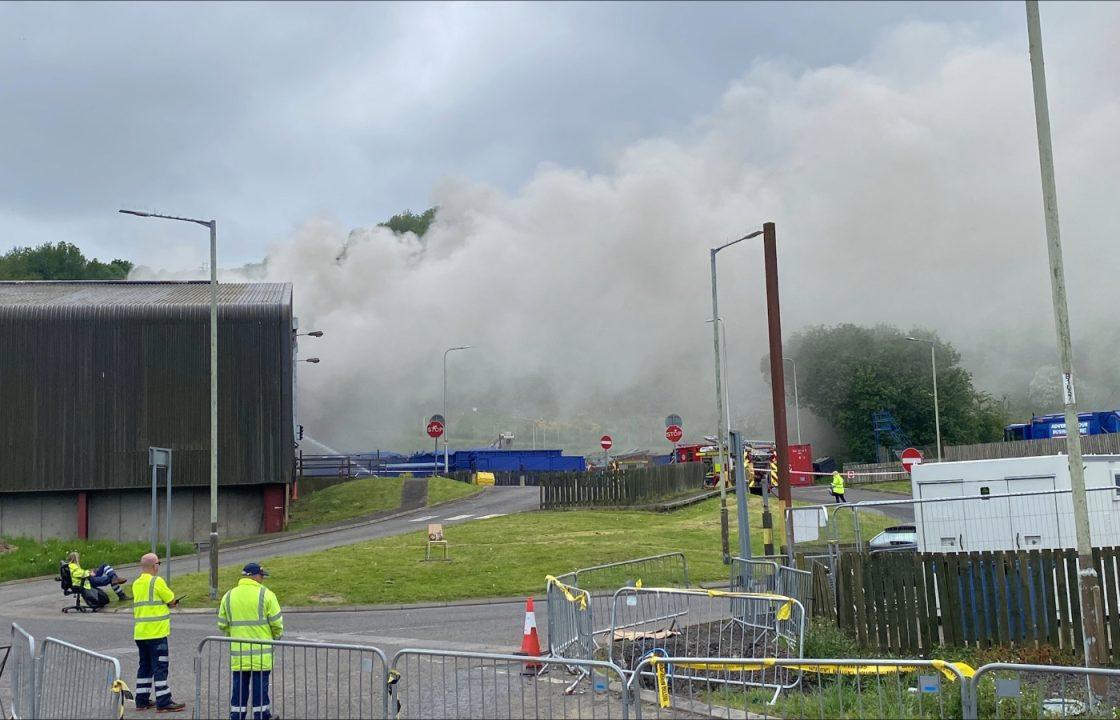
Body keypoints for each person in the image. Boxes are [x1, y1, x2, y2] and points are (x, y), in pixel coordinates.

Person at [218, 563, 284, 720]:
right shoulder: (266, 594)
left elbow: (222, 624)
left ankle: (237, 716)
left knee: (239, 690)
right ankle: (262, 716)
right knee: (260, 690)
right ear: (253, 576)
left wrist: (233, 636)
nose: (262, 579)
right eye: (262, 576)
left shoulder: (228, 595)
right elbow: (277, 624)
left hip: (239, 653)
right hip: (261, 654)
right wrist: (275, 638)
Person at [132, 553, 186, 713]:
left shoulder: (137, 583)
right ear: (155, 565)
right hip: (156, 632)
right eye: (159, 564)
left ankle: (141, 701)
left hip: (141, 633)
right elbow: (170, 599)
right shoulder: (157, 581)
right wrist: (172, 603)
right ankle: (163, 701)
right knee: (160, 667)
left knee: (145, 666)